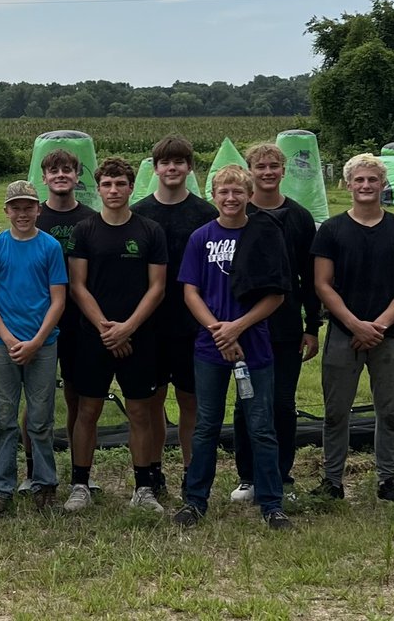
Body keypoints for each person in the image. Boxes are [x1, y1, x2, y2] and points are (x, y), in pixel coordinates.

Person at [173, 164, 292, 530]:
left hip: (254, 347)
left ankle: (272, 503)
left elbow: (277, 294)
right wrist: (217, 331)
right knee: (206, 425)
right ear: (214, 195)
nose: (230, 198)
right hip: (210, 349)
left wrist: (238, 327)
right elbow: (190, 290)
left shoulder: (264, 235)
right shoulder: (201, 238)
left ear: (249, 195)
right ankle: (195, 501)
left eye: (237, 192)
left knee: (260, 426)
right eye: (223, 192)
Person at [311, 154, 394, 506]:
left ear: (382, 184)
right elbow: (323, 284)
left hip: (390, 337)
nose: (366, 186)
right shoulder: (331, 230)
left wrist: (380, 324)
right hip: (344, 334)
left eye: (372, 180)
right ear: (348, 184)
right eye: (359, 180)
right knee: (335, 411)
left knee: (390, 411)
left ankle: (388, 479)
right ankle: (332, 481)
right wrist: (354, 324)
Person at [65, 157, 168, 512]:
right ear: (98, 188)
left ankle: (143, 488)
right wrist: (106, 329)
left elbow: (157, 288)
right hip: (94, 336)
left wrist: (127, 328)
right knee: (87, 409)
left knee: (140, 412)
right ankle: (80, 484)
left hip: (138, 337)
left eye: (120, 184)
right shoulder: (85, 230)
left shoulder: (150, 230)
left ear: (130, 187)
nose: (113, 191)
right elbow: (77, 286)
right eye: (107, 185)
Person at [228, 143, 322, 503]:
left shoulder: (298, 218)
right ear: (249, 171)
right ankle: (248, 476)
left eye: (273, 166)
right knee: (246, 401)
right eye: (259, 166)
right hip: (243, 326)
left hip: (285, 327)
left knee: (282, 403)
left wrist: (312, 326)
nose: (267, 172)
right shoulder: (238, 213)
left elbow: (310, 276)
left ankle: (281, 474)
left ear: (284, 171)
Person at [131, 135, 217, 497]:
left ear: (189, 168)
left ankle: (190, 473)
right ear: (155, 168)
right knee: (151, 404)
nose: (172, 168)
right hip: (150, 325)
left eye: (179, 162)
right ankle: (152, 473)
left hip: (191, 324)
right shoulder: (139, 214)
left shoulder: (205, 214)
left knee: (190, 403)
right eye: (165, 163)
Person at [0, 180, 67, 520]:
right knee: (3, 419)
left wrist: (35, 341)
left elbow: (58, 300)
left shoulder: (50, 247)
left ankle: (44, 485)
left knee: (41, 419)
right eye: (16, 207)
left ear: (38, 209)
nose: (22, 213)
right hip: (4, 345)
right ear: (6, 211)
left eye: (28, 207)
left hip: (43, 345)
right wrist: (8, 337)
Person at [34, 149, 97, 494]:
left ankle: (79, 476)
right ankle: (35, 472)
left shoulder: (90, 220)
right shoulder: (33, 217)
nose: (61, 175)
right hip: (36, 321)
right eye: (53, 170)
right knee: (37, 400)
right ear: (43, 177)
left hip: (78, 323)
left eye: (68, 170)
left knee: (77, 397)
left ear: (77, 176)